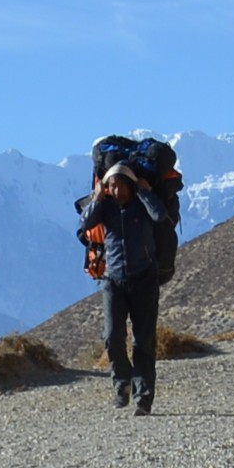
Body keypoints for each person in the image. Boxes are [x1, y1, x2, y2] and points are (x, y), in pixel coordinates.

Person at [79, 160, 175, 415]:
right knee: (112, 336)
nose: (116, 190)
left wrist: (145, 192)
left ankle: (143, 399)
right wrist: (98, 198)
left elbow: (160, 215)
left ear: (130, 185)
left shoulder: (142, 206)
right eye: (112, 185)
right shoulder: (105, 208)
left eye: (121, 184)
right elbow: (85, 226)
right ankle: (122, 383)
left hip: (144, 279)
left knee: (143, 341)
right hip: (113, 281)